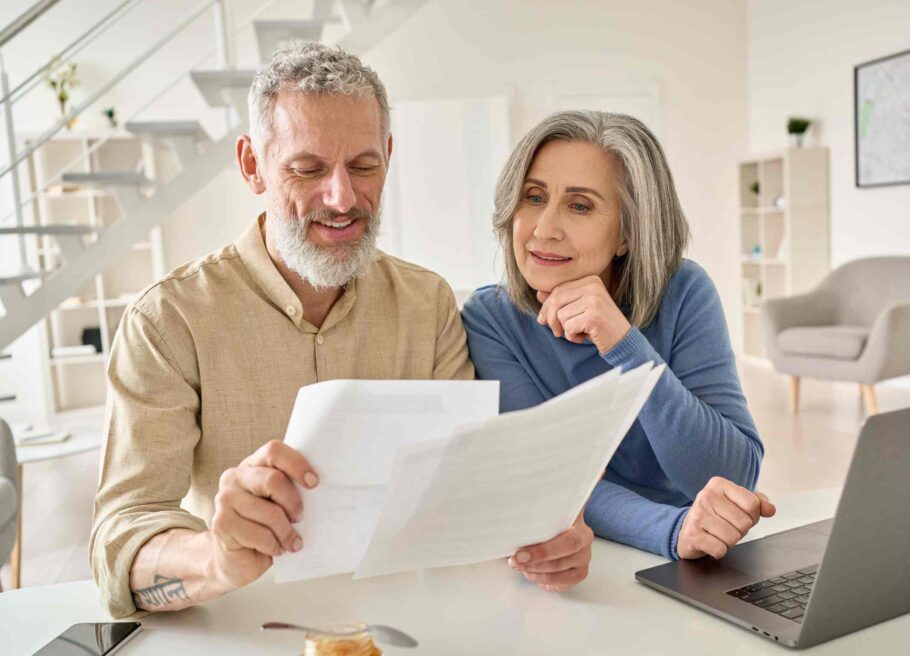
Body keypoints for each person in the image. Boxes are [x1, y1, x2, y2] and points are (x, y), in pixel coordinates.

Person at [89, 44, 571, 618]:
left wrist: (543, 533)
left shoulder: (428, 303)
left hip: (408, 624)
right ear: (252, 165)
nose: (342, 198)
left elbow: (467, 490)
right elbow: (120, 538)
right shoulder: (168, 321)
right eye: (307, 168)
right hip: (240, 630)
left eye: (363, 166)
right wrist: (213, 557)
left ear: (388, 157)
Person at [462, 110, 776, 589]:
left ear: (627, 232)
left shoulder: (684, 291)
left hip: (694, 565)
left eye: (580, 206)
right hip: (588, 561)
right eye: (534, 197)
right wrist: (672, 531)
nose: (544, 228)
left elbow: (733, 474)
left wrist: (626, 345)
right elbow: (549, 479)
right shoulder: (491, 318)